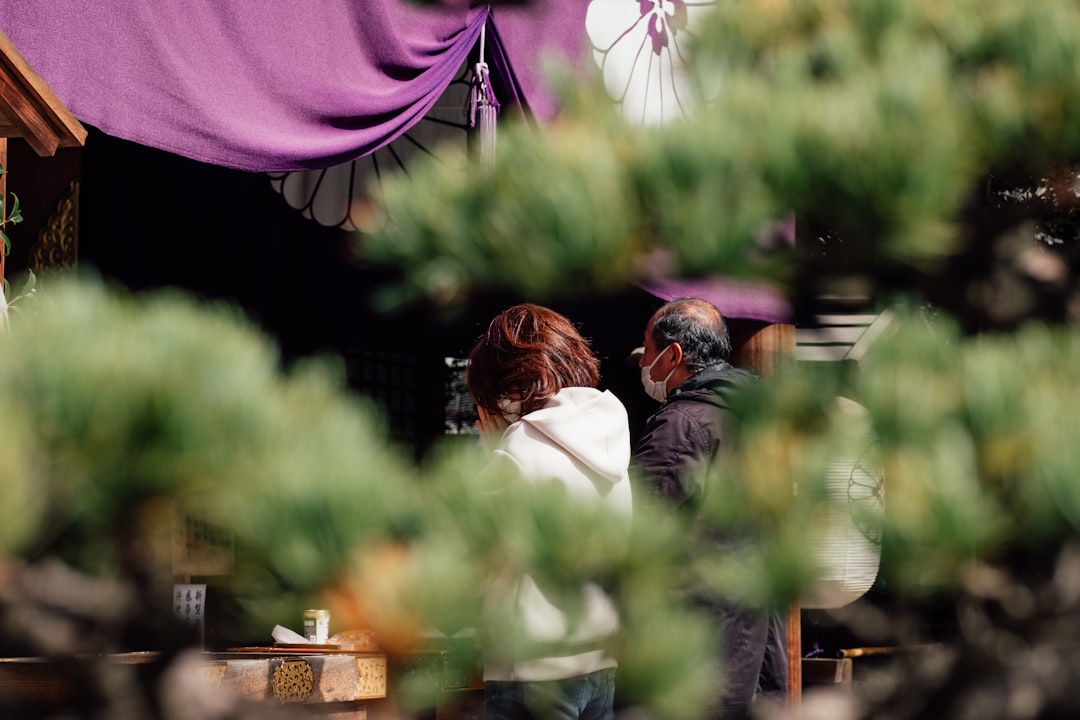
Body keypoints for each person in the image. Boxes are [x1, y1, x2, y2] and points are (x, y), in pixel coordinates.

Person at [466, 303, 633, 720]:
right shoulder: (609, 437)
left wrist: (493, 450)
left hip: (533, 669)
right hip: (597, 660)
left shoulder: (522, 443)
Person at [631, 297, 787, 720]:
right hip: (754, 638)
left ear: (673, 354)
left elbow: (636, 529)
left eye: (647, 350)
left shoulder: (681, 423)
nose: (643, 362)